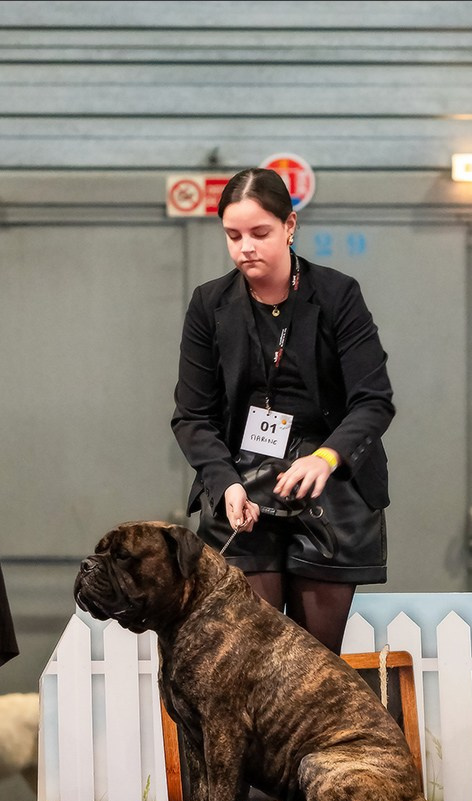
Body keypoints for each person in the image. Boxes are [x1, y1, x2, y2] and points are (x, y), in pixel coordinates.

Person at [171, 167, 395, 655]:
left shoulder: (337, 294)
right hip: (242, 483)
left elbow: (373, 400)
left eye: (259, 233)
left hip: (328, 484)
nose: (245, 247)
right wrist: (224, 483)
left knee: (313, 668)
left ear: (290, 225)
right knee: (252, 664)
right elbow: (192, 416)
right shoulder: (209, 303)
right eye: (233, 236)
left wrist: (326, 458)